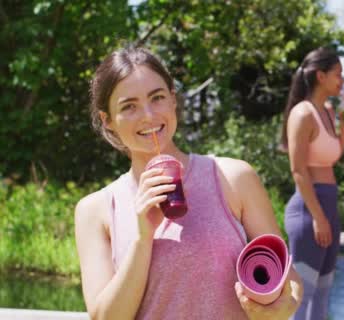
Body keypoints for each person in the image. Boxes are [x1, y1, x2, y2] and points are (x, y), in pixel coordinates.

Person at [74, 46, 302, 320]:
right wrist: (142, 239)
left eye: (157, 97)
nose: (148, 115)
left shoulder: (234, 178)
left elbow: (288, 277)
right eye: (129, 106)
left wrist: (280, 309)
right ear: (107, 120)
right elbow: (105, 318)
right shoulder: (95, 210)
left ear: (173, 99)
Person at [281, 47, 344, 320]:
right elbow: (298, 169)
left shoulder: (326, 111)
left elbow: (329, 158)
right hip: (308, 210)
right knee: (301, 296)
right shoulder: (302, 114)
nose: (343, 81)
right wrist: (318, 218)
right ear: (320, 75)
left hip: (328, 206)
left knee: (323, 294)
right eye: (338, 74)